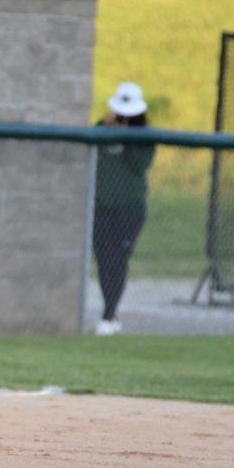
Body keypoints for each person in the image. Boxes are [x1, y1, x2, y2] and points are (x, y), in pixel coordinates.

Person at [93, 81, 155, 336]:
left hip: (129, 208)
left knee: (118, 260)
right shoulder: (101, 128)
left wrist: (125, 137)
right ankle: (111, 312)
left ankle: (109, 314)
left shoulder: (144, 137)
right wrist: (109, 129)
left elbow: (139, 165)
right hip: (101, 207)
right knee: (103, 261)